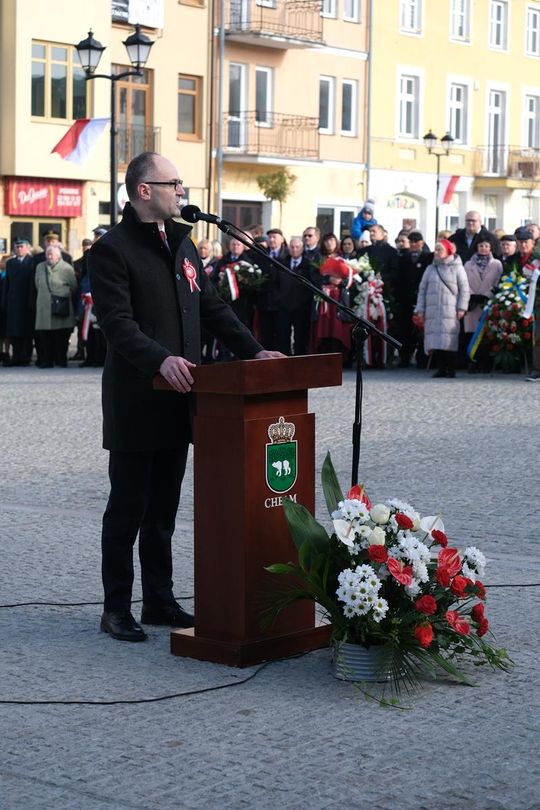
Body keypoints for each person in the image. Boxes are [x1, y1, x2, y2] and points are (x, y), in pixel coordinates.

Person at [87, 151, 281, 643]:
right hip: (137, 400)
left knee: (163, 512)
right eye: (172, 183)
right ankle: (116, 608)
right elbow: (117, 324)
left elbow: (211, 308)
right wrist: (160, 359)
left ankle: (159, 599)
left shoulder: (182, 242)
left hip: (182, 399)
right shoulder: (112, 250)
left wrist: (255, 351)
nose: (181, 191)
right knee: (127, 509)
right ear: (143, 190)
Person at [414, 239, 470, 378]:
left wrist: (462, 307)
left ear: (448, 252)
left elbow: (464, 289)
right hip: (432, 309)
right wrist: (420, 309)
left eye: (440, 250)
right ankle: (441, 368)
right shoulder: (430, 268)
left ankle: (450, 368)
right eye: (436, 250)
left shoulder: (457, 268)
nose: (436, 252)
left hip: (450, 309)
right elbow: (422, 290)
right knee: (435, 339)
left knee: (449, 339)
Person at [274, 236, 322, 356]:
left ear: (302, 248)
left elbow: (312, 285)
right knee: (283, 336)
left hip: (301, 307)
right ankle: (285, 359)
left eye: (297, 247)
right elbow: (275, 283)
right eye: (292, 247)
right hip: (284, 306)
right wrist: (280, 299)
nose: (294, 249)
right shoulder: (282, 263)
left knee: (300, 336)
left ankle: (299, 359)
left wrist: (304, 301)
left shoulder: (308, 265)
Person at [394, 230, 432, 368]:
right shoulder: (404, 258)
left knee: (422, 329)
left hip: (422, 297)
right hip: (406, 298)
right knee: (405, 328)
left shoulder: (428, 257)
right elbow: (399, 278)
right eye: (411, 242)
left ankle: (422, 358)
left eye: (416, 242)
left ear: (422, 243)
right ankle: (405, 357)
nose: (413, 244)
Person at [34, 245, 77, 368]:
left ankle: (61, 360)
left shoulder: (67, 268)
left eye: (51, 254)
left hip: (61, 307)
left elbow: (74, 287)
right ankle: (47, 361)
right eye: (47, 254)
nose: (49, 256)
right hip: (44, 307)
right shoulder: (40, 267)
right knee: (45, 336)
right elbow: (37, 284)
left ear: (58, 256)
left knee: (61, 336)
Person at [463, 239, 502, 372]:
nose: (483, 248)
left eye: (486, 246)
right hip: (472, 303)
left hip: (487, 303)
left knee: (486, 333)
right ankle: (473, 362)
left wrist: (486, 295)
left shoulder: (496, 264)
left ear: (491, 248)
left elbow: (497, 282)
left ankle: (486, 363)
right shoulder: (468, 264)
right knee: (471, 333)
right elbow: (464, 282)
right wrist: (471, 295)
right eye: (481, 246)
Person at [513, 226, 540, 381]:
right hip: (529, 302)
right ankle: (537, 369)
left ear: (533, 243)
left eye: (526, 242)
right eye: (520, 242)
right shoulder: (516, 259)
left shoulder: (536, 258)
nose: (523, 245)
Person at [3, 237, 36, 366]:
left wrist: (31, 302)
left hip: (27, 302)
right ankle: (15, 356)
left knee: (26, 332)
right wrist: (4, 302)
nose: (19, 249)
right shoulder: (10, 263)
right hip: (13, 302)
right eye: (17, 247)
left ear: (27, 248)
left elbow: (32, 285)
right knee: (14, 332)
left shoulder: (32, 262)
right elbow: (7, 284)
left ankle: (25, 357)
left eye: (22, 247)